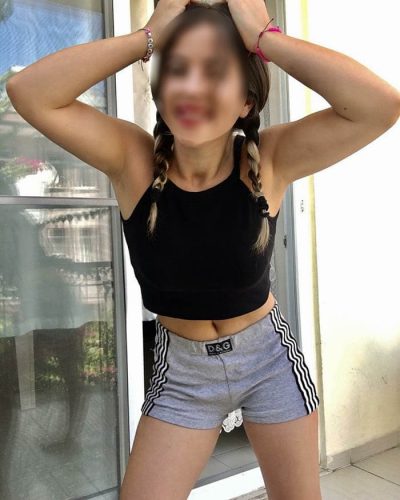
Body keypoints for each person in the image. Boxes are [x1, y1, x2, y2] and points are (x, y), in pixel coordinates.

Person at [6, 1, 400, 498]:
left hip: (269, 361)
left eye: (214, 73)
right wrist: (146, 37)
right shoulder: (133, 160)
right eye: (178, 71)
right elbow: (28, 92)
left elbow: (379, 105)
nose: (191, 88)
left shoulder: (269, 160)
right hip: (184, 375)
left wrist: (266, 38)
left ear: (246, 102)